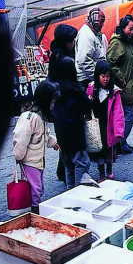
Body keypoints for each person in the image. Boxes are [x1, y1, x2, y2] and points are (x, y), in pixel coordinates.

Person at [13, 81, 60, 211]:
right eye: (52, 102)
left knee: (38, 187)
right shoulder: (30, 118)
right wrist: (18, 155)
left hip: (38, 161)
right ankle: (35, 210)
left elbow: (44, 135)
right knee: (36, 188)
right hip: (30, 161)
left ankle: (35, 208)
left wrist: (53, 142)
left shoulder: (40, 117)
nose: (53, 105)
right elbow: (21, 138)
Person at [52, 57, 97, 188]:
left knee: (68, 164)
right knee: (82, 163)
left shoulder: (56, 88)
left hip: (61, 133)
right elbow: (86, 105)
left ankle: (70, 190)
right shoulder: (75, 89)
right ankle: (78, 189)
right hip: (75, 133)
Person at [47, 24, 78, 182]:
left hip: (59, 105)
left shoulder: (55, 55)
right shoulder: (65, 60)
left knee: (64, 140)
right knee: (68, 142)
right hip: (66, 105)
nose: (73, 43)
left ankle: (62, 172)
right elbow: (71, 85)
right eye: (72, 40)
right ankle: (68, 178)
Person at [106, 15, 133, 155]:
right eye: (130, 29)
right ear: (123, 27)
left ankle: (121, 142)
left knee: (125, 115)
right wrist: (121, 79)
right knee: (128, 114)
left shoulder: (130, 42)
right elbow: (110, 63)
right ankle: (119, 142)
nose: (132, 32)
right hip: (121, 86)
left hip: (129, 85)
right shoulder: (117, 42)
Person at [88, 61, 125, 181]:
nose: (105, 79)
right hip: (96, 125)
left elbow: (118, 112)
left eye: (108, 76)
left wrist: (119, 130)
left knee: (109, 149)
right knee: (98, 149)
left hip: (108, 126)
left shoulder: (114, 92)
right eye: (103, 76)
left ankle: (109, 169)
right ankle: (101, 173)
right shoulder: (92, 89)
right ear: (97, 76)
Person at [75, 7, 107, 88]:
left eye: (103, 21)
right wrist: (96, 78)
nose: (102, 24)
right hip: (86, 80)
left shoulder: (94, 33)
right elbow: (84, 61)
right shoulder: (86, 34)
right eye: (100, 21)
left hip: (92, 78)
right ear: (92, 20)